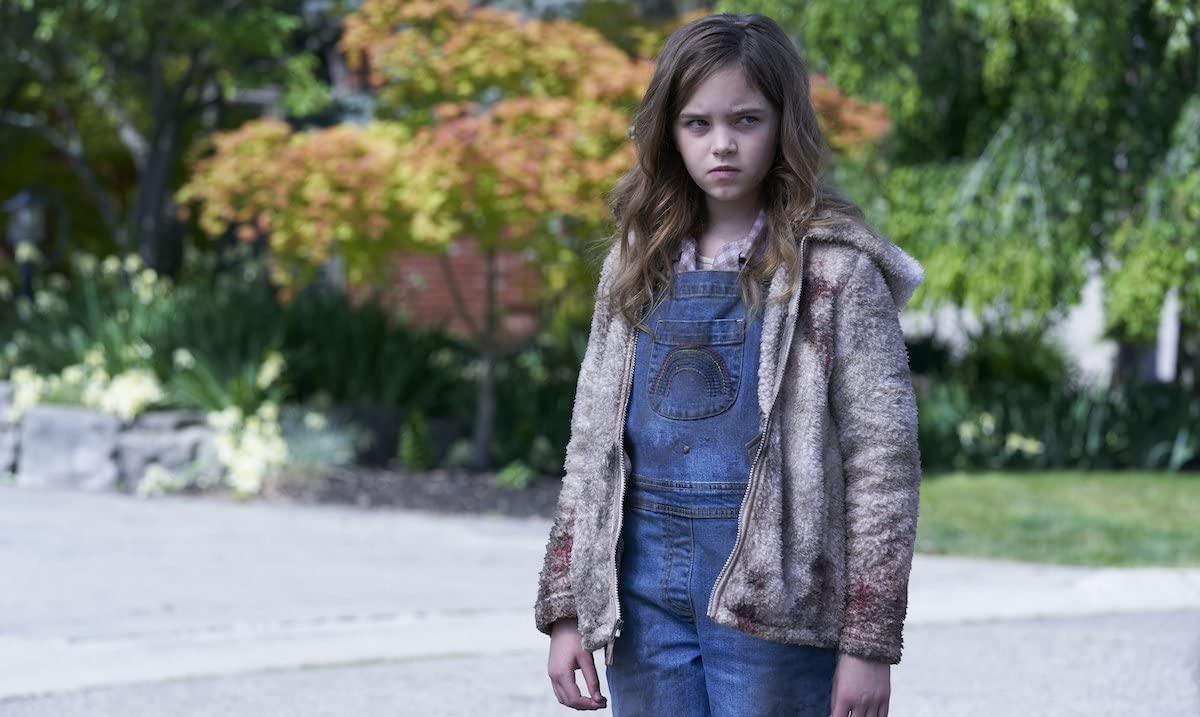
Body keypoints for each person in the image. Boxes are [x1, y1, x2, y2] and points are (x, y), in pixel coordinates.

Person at [534, 12, 924, 717]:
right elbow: (591, 445)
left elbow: (883, 466)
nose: (722, 144)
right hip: (642, 597)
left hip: (778, 600)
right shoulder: (635, 264)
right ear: (668, 132)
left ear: (784, 125)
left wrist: (869, 642)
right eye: (697, 123)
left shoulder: (835, 272)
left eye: (746, 120)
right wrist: (567, 607)